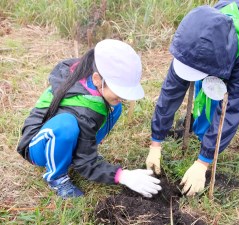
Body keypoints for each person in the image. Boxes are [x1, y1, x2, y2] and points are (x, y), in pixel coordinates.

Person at [146, 0, 239, 196]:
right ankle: (200, 130)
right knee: (208, 84)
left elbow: (233, 107)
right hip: (236, 23)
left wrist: (202, 163)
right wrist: (156, 142)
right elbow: (171, 91)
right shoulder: (190, 39)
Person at [17, 39, 161, 199]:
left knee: (114, 107)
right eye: (119, 89)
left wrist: (86, 151)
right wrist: (123, 176)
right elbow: (85, 164)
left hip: (69, 127)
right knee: (66, 126)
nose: (123, 96)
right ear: (98, 79)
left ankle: (78, 151)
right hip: (39, 147)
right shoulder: (84, 109)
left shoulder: (92, 73)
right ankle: (56, 177)